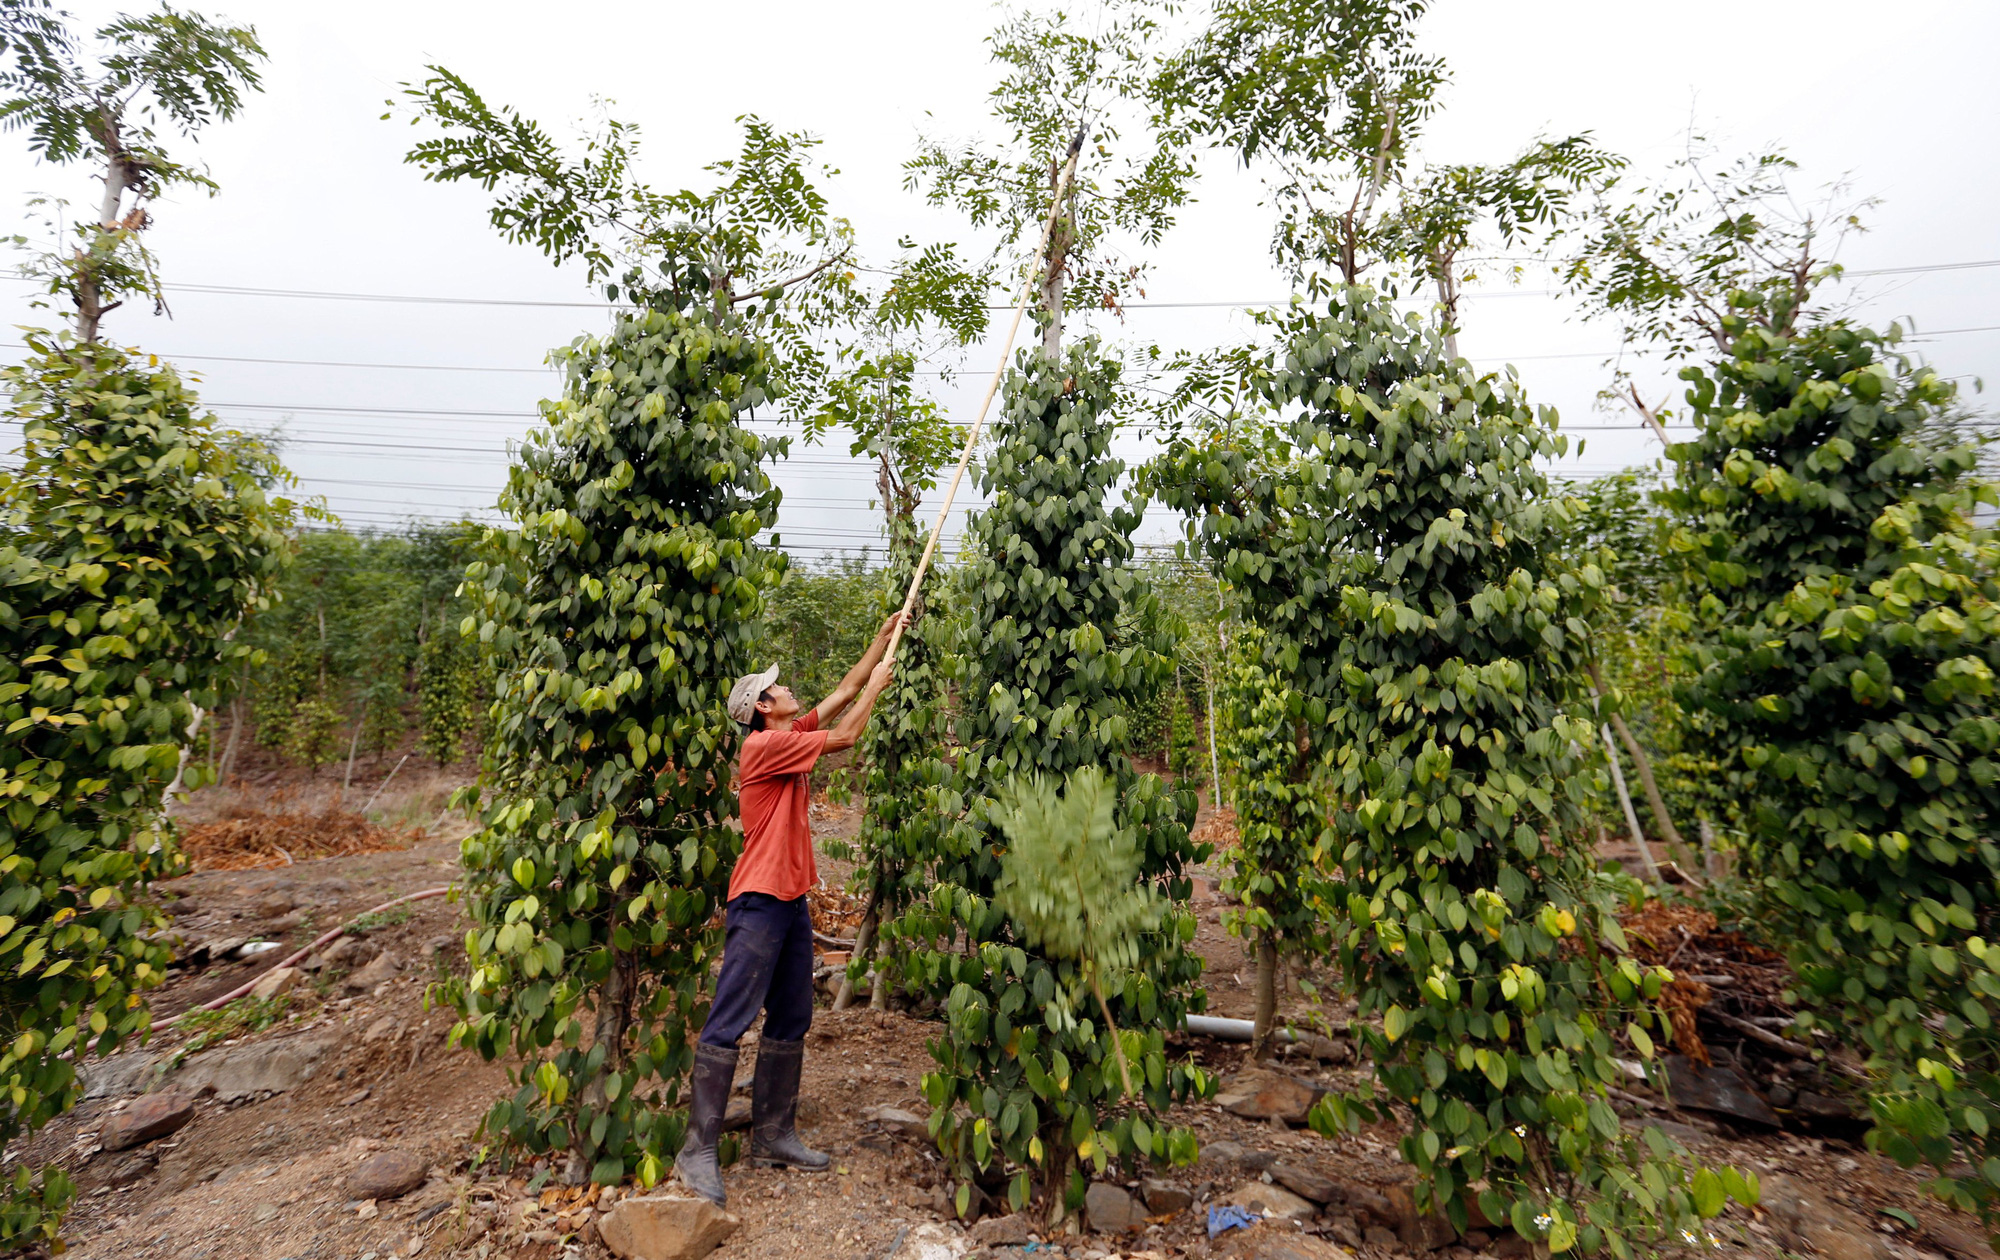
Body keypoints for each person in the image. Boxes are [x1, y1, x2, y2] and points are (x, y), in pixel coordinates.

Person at [674, 612, 904, 1206]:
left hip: (791, 899)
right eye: (776, 687)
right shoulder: (765, 747)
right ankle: (696, 1148)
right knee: (730, 1018)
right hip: (758, 900)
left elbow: (840, 696)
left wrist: (877, 646)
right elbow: (849, 734)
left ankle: (773, 1134)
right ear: (762, 708)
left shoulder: (784, 733)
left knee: (792, 1016)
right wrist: (882, 685)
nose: (787, 687)